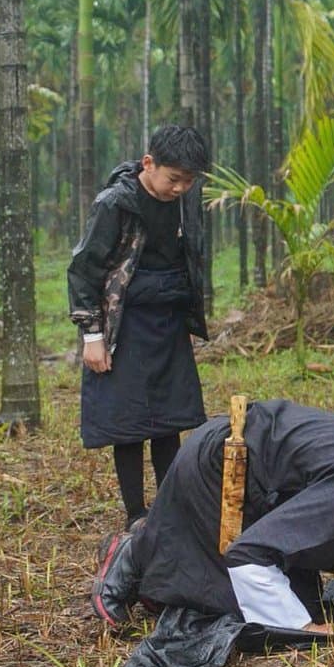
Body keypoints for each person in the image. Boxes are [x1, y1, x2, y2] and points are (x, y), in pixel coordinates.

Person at [92, 400, 334, 646]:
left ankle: (154, 558)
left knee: (301, 598)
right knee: (227, 603)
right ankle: (132, 552)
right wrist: (304, 629)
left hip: (264, 470)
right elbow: (249, 555)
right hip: (220, 465)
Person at [69, 125, 211, 528]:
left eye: (189, 181)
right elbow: (84, 270)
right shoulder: (115, 203)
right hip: (124, 321)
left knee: (168, 420)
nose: (180, 188)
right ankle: (135, 513)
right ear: (149, 163)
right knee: (128, 423)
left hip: (167, 319)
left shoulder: (185, 199)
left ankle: (168, 510)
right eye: (174, 179)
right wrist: (92, 335)